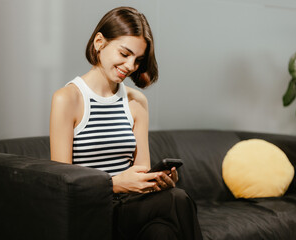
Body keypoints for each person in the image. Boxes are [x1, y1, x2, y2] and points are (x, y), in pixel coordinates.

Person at [50, 6, 203, 240]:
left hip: (131, 207)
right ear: (99, 42)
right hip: (92, 210)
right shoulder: (67, 99)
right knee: (177, 200)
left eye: (138, 60)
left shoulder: (136, 102)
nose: (131, 66)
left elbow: (140, 171)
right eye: (125, 54)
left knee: (162, 232)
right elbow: (62, 185)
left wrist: (158, 181)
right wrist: (115, 184)